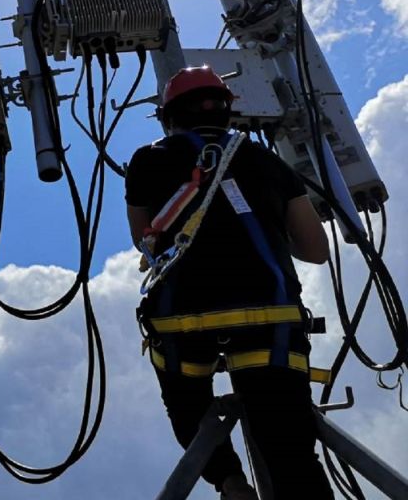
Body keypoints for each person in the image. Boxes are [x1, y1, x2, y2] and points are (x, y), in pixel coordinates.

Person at [124, 66, 335, 500]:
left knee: (188, 407)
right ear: (227, 111)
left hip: (181, 323)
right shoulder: (267, 162)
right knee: (292, 454)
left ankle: (230, 482)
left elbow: (145, 244)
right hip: (270, 320)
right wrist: (272, 233)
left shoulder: (145, 161)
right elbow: (315, 249)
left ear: (168, 116)